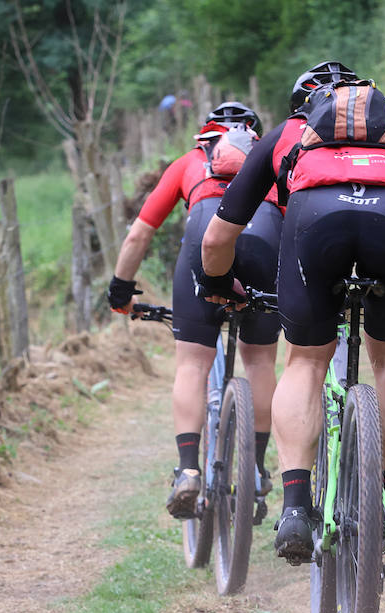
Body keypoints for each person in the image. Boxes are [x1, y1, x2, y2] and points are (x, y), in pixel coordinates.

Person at [200, 62, 385, 562]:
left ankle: (294, 508)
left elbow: (218, 237)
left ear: (307, 107)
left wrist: (220, 284)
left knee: (307, 362)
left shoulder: (287, 135)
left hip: (316, 222)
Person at [108, 102, 284, 518]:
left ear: (208, 134)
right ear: (253, 134)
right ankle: (256, 470)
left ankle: (188, 469)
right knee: (260, 362)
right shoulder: (274, 160)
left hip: (205, 245)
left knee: (192, 364)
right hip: (264, 245)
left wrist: (121, 291)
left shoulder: (189, 162)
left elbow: (140, 234)